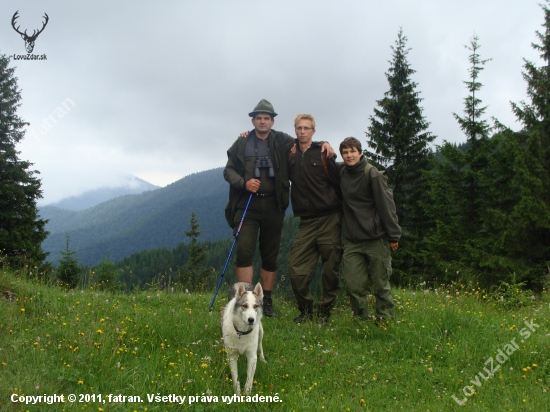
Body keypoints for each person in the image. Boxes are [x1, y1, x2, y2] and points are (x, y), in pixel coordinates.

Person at [223, 99, 296, 317]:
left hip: (275, 204)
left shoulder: (282, 140)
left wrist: (324, 145)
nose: (262, 121)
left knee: (270, 255)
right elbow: (228, 171)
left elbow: (304, 143)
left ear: (272, 121)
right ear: (253, 120)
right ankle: (243, 299)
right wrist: (243, 183)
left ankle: (266, 302)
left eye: (266, 118)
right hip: (248, 204)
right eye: (259, 118)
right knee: (244, 251)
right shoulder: (241, 143)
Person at [338, 137, 401, 323]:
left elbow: (386, 206)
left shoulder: (372, 174)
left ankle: (385, 320)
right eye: (345, 152)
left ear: (360, 152)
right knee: (352, 285)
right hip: (352, 240)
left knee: (381, 284)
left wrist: (393, 235)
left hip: (375, 239)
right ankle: (361, 321)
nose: (349, 155)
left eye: (353, 151)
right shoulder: (342, 172)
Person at [288, 114, 342, 324]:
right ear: (295, 131)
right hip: (307, 221)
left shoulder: (323, 152)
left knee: (330, 269)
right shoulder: (290, 154)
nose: (302, 132)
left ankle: (325, 313)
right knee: (295, 268)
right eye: (299, 128)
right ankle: (306, 311)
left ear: (313, 131)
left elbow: (339, 183)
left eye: (306, 128)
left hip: (330, 217)